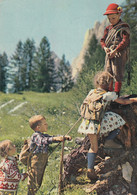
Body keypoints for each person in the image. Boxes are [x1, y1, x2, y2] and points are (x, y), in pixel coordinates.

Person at [78, 71, 137, 181]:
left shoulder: (92, 92)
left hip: (87, 124)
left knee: (93, 147)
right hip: (98, 123)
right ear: (109, 83)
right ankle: (108, 140)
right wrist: (134, 99)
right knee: (119, 122)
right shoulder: (108, 94)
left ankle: (90, 169)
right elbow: (123, 102)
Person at [27, 115, 71, 195]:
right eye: (45, 124)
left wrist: (63, 137)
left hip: (41, 161)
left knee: (38, 182)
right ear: (38, 127)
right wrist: (55, 139)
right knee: (33, 181)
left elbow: (52, 137)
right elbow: (43, 141)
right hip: (36, 162)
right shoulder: (36, 135)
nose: (47, 125)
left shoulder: (43, 134)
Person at [100, 3, 130, 95]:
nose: (111, 21)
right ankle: (109, 92)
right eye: (109, 19)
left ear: (119, 15)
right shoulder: (108, 29)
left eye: (113, 18)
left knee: (117, 72)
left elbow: (125, 41)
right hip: (109, 53)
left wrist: (115, 50)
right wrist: (105, 48)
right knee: (108, 72)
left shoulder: (123, 27)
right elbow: (102, 40)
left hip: (119, 53)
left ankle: (116, 93)